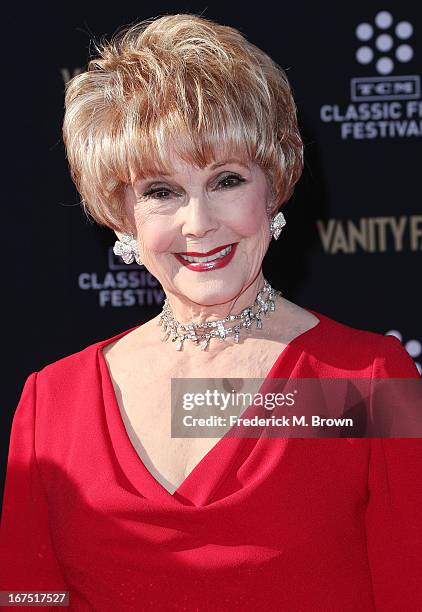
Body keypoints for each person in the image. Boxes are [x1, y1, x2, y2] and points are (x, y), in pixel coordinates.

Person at [1, 13, 421, 612]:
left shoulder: (366, 383)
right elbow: (27, 596)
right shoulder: (53, 403)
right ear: (121, 213)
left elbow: (410, 588)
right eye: (161, 191)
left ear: (272, 186)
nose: (198, 224)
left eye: (226, 180)